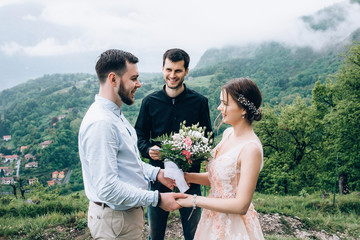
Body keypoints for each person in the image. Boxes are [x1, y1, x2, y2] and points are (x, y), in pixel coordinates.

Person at [78, 49, 185, 240]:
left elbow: (128, 163)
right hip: (114, 221)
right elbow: (107, 188)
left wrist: (157, 173)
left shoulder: (115, 115)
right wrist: (157, 199)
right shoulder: (102, 123)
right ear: (113, 79)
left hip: (123, 218)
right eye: (134, 78)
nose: (139, 84)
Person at [135, 48, 213, 240]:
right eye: (169, 69)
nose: (172, 75)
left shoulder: (200, 102)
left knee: (194, 235)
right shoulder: (149, 102)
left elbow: (208, 138)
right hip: (158, 180)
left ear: (186, 71)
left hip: (190, 180)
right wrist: (148, 150)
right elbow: (139, 135)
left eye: (178, 71)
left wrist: (194, 154)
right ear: (162, 69)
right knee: (155, 235)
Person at [177, 77, 265, 239]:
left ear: (243, 109)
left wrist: (194, 200)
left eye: (225, 103)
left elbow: (241, 205)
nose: (219, 108)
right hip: (211, 219)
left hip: (233, 225)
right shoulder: (228, 133)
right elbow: (221, 180)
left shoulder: (251, 149)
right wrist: (186, 177)